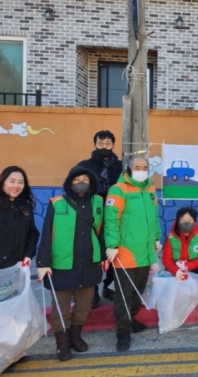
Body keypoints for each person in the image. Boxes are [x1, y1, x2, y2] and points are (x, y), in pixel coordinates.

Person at [36, 166, 105, 362]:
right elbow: (47, 233)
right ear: (69, 182)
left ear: (91, 183)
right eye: (77, 179)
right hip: (62, 265)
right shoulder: (57, 203)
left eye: (85, 179)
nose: (81, 183)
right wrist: (43, 262)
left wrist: (103, 256)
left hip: (89, 264)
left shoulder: (98, 202)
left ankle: (75, 336)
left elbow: (101, 230)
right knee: (61, 308)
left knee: (84, 306)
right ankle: (62, 343)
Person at [104, 157, 162, 352]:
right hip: (125, 252)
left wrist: (156, 237)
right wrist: (112, 245)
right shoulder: (118, 189)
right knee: (123, 295)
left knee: (138, 291)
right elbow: (111, 219)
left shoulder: (150, 189)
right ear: (129, 168)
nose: (141, 170)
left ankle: (131, 319)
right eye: (137, 167)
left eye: (145, 167)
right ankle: (123, 333)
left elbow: (154, 217)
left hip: (145, 251)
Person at [77, 130, 123, 307]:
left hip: (115, 215)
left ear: (113, 145)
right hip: (91, 216)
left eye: (108, 143)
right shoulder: (84, 166)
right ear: (94, 144)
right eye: (100, 143)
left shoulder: (121, 167)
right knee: (91, 253)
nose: (104, 146)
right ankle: (92, 291)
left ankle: (110, 287)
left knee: (114, 250)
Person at [162, 207, 198, 279]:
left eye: (190, 220)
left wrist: (187, 266)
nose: (187, 223)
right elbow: (166, 259)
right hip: (175, 269)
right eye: (183, 220)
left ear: (194, 222)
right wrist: (176, 271)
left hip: (195, 269)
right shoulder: (171, 237)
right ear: (178, 222)